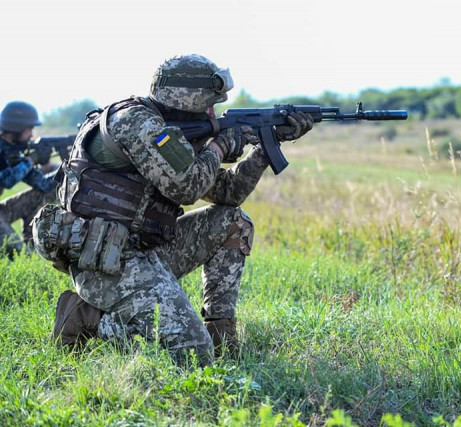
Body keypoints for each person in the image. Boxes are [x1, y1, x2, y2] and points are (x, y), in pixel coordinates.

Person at [33, 54, 313, 366]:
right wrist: (219, 146)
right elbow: (187, 187)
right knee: (192, 352)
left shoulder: (169, 131)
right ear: (188, 98)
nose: (213, 110)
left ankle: (222, 341)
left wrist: (265, 145)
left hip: (147, 250)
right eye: (209, 102)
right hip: (108, 262)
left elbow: (227, 193)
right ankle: (86, 318)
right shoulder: (136, 123)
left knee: (232, 222)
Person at [0, 101, 57, 255]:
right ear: (16, 128)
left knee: (39, 196)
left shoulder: (13, 152)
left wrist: (65, 168)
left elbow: (44, 185)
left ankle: (32, 243)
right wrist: (30, 161)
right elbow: (5, 180)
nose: (32, 135)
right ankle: (26, 256)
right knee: (21, 256)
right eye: (29, 129)